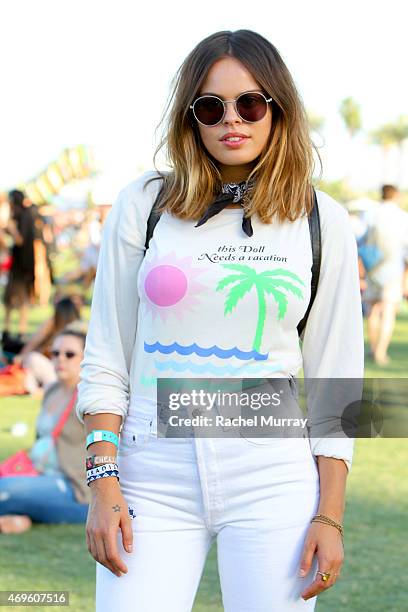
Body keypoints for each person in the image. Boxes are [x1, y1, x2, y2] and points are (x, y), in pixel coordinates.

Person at [76, 30, 364, 611]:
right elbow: (106, 353)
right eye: (211, 107)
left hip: (273, 478)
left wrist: (329, 516)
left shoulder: (320, 219)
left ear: (278, 109)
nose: (232, 120)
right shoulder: (144, 205)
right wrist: (103, 478)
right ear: (192, 119)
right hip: (149, 476)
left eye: (251, 103)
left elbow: (339, 381)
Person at [0, 329, 91, 534]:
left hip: (73, 486)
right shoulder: (52, 391)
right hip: (37, 473)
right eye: (55, 353)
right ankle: (17, 516)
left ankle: (19, 514)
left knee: (5, 490)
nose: (60, 359)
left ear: (87, 357)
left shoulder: (90, 398)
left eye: (69, 354)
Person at [364, 185, 408, 365]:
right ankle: (381, 352)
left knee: (373, 311)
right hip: (392, 269)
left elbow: (361, 240)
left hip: (372, 268)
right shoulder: (401, 216)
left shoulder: (371, 213)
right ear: (396, 196)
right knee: (388, 311)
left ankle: (373, 348)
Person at [11, 297, 83, 396]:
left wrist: (21, 356)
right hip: (75, 375)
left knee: (32, 358)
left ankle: (37, 390)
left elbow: (33, 342)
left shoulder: (54, 325)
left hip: (60, 374)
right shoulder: (80, 327)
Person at [2, 190, 36, 337]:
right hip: (20, 265)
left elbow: (20, 240)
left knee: (20, 301)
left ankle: (19, 331)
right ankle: (8, 330)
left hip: (22, 267)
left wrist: (10, 227)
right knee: (10, 299)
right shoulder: (22, 215)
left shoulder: (24, 216)